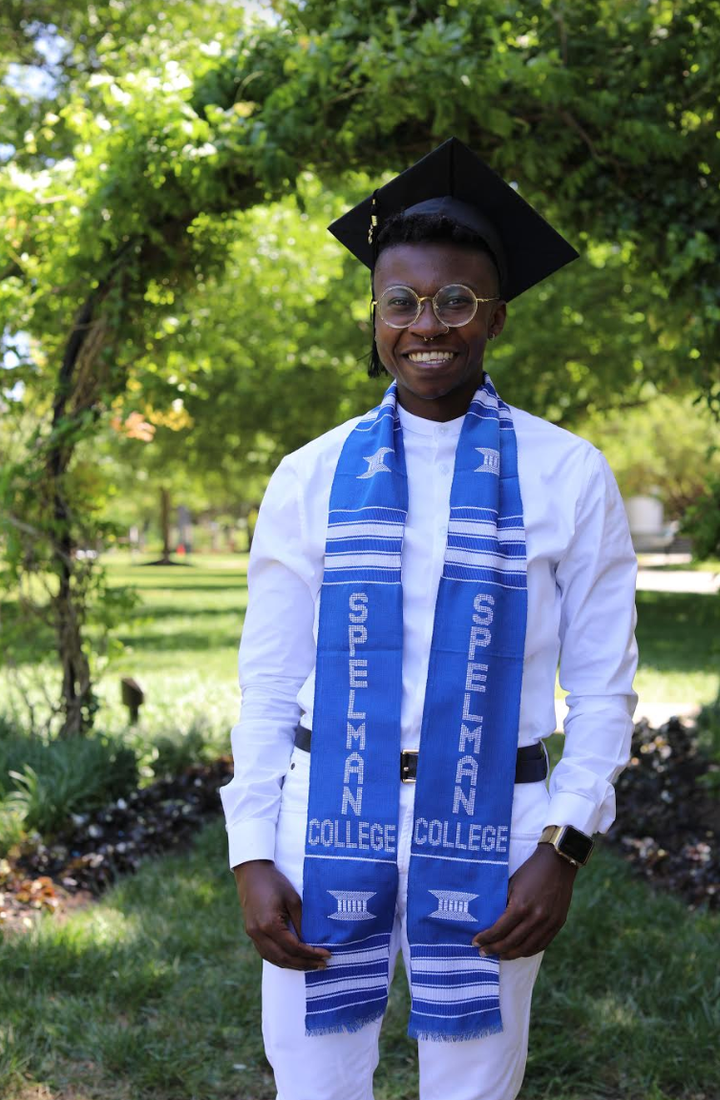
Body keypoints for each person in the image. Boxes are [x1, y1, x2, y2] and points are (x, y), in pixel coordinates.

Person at [220, 138, 638, 1100]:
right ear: (375, 316)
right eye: (401, 302)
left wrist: (564, 846)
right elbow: (270, 683)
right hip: (323, 819)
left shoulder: (569, 474)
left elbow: (605, 691)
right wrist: (251, 852)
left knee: (474, 1084)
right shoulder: (310, 475)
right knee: (315, 1082)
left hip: (504, 823)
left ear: (494, 315)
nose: (427, 326)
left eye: (455, 301)